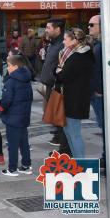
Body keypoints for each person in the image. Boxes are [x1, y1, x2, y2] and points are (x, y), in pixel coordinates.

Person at [54, 28, 94, 159]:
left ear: (75, 40)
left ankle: (80, 164)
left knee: (74, 134)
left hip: (75, 100)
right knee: (70, 132)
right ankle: (77, 162)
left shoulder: (78, 57)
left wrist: (58, 71)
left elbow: (63, 76)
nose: (63, 42)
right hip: (74, 98)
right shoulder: (80, 54)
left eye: (65, 39)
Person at [39, 19, 69, 154]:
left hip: (56, 86)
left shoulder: (62, 44)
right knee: (52, 114)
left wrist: (53, 79)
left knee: (59, 115)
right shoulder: (52, 43)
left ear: (58, 29)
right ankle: (59, 137)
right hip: (50, 85)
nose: (46, 30)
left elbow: (62, 67)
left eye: (48, 27)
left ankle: (63, 145)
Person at [0, 54, 33, 177]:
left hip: (13, 118)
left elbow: (6, 101)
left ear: (15, 66)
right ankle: (26, 165)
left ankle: (12, 168)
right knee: (24, 142)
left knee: (13, 144)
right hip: (23, 116)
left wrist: (1, 109)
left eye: (8, 66)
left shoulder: (12, 82)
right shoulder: (26, 79)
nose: (7, 68)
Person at [88, 15, 105, 169]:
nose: (89, 27)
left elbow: (99, 70)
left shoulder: (101, 46)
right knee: (103, 126)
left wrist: (99, 90)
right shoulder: (98, 44)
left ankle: (107, 159)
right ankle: (106, 157)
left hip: (99, 93)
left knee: (105, 127)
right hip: (96, 92)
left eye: (92, 25)